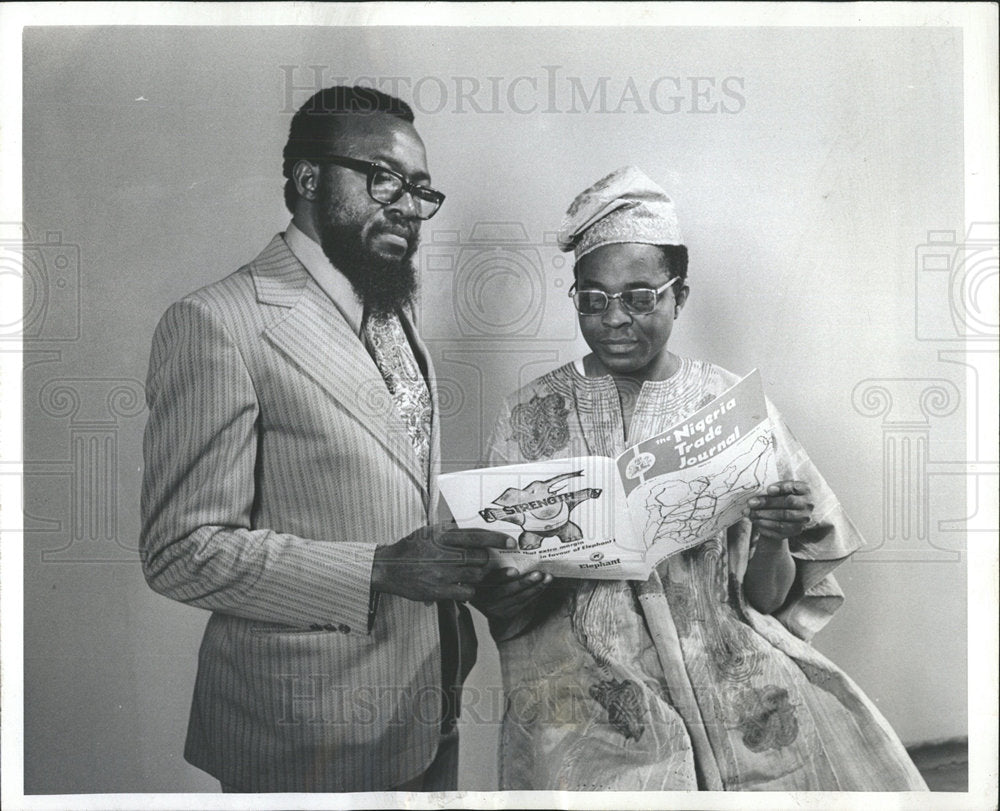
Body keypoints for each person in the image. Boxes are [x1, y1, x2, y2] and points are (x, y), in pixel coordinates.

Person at [474, 166, 928, 791]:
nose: (615, 320)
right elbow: (500, 598)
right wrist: (509, 575)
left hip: (733, 678)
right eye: (593, 299)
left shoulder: (733, 409)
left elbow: (767, 603)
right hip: (593, 694)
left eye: (640, 297)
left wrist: (771, 536)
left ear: (679, 295)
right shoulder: (528, 417)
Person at [139, 85, 510, 793]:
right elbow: (178, 551)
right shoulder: (217, 322)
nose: (406, 204)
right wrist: (376, 568)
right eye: (384, 179)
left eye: (421, 191)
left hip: (426, 707)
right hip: (304, 731)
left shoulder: (393, 315)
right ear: (308, 178)